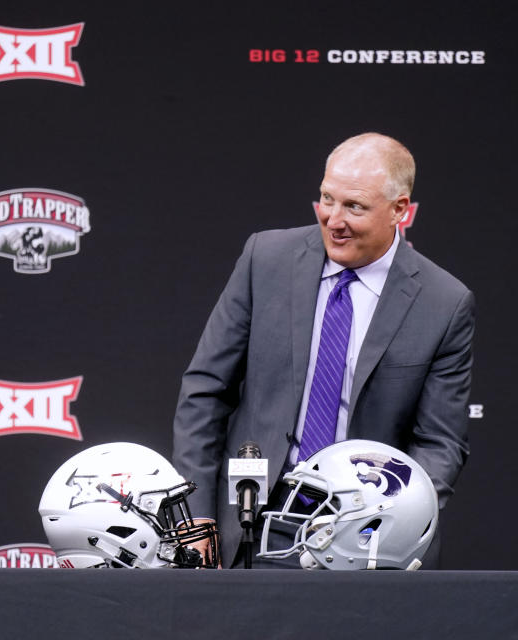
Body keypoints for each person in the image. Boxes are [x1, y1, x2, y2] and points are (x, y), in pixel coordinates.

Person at [172, 133, 474, 568]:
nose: (334, 219)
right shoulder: (266, 259)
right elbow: (205, 391)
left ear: (399, 211)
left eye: (354, 207)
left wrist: (392, 518)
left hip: (367, 536)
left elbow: (440, 443)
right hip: (250, 522)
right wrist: (197, 518)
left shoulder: (444, 302)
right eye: (326, 199)